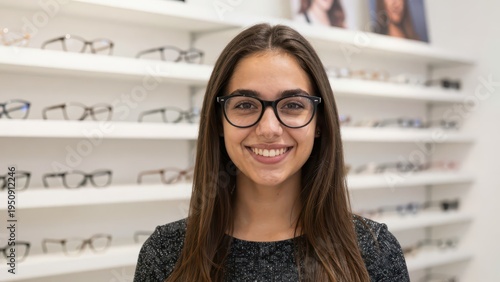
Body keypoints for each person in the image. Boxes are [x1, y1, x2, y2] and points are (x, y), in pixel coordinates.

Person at [133, 23, 410, 282]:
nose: (269, 129)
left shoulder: (374, 251)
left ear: (319, 123)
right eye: (245, 105)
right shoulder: (166, 253)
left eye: (292, 105)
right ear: (219, 121)